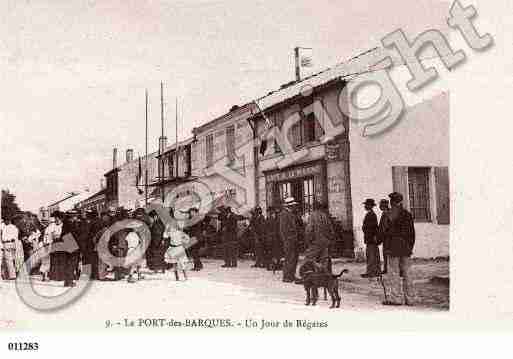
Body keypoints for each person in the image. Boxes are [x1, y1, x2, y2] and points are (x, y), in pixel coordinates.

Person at [382, 192, 416, 306]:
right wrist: (410, 247)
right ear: (400, 201)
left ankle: (396, 298)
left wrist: (381, 243)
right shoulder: (407, 214)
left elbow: (384, 232)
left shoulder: (389, 214)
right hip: (405, 248)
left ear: (392, 202)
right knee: (407, 273)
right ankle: (410, 299)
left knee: (393, 273)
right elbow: (412, 233)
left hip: (392, 248)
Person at [299, 201, 336, 281]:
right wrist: (329, 239)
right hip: (325, 242)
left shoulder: (312, 216)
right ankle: (325, 276)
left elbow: (309, 230)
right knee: (324, 260)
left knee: (309, 259)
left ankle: (306, 277)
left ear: (314, 207)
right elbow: (331, 230)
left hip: (315, 242)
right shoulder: (325, 216)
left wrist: (308, 240)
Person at [279, 197, 300, 283]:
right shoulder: (284, 214)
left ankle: (291, 275)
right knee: (289, 258)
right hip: (289, 240)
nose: (294, 207)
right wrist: (287, 239)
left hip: (293, 239)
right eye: (293, 205)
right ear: (289, 206)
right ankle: (287, 276)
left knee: (294, 257)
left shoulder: (291, 214)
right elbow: (283, 229)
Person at [361, 198, 380, 278]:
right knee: (373, 255)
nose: (365, 206)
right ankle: (374, 271)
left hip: (371, 238)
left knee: (371, 255)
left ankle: (371, 272)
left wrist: (372, 237)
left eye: (366, 205)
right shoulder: (371, 214)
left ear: (370, 206)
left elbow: (372, 228)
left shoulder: (371, 215)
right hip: (371, 238)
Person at [377, 199, 392, 274]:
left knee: (387, 253)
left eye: (380, 205)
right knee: (387, 253)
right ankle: (387, 268)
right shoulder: (388, 213)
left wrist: (380, 237)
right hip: (388, 237)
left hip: (387, 237)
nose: (379, 206)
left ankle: (387, 269)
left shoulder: (386, 214)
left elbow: (384, 227)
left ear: (384, 206)